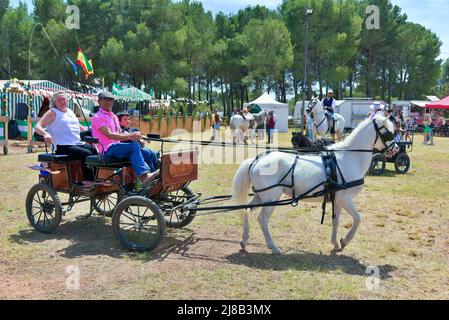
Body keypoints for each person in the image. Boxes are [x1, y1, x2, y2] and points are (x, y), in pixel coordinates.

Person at [92, 91, 159, 187]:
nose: (108, 102)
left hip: (118, 146)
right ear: (99, 101)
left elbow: (120, 132)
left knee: (147, 153)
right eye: (105, 100)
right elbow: (109, 135)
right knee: (133, 147)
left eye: (110, 100)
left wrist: (136, 135)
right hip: (107, 148)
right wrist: (130, 137)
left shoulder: (113, 116)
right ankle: (144, 177)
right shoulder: (98, 117)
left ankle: (153, 181)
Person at [35, 91, 98, 181]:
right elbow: (38, 126)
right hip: (62, 146)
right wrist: (45, 134)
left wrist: (89, 132)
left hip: (76, 143)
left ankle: (96, 178)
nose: (62, 101)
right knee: (86, 154)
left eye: (64, 99)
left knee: (94, 150)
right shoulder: (52, 112)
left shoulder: (70, 112)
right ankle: (87, 181)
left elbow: (77, 125)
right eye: (59, 100)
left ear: (67, 101)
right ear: (54, 103)